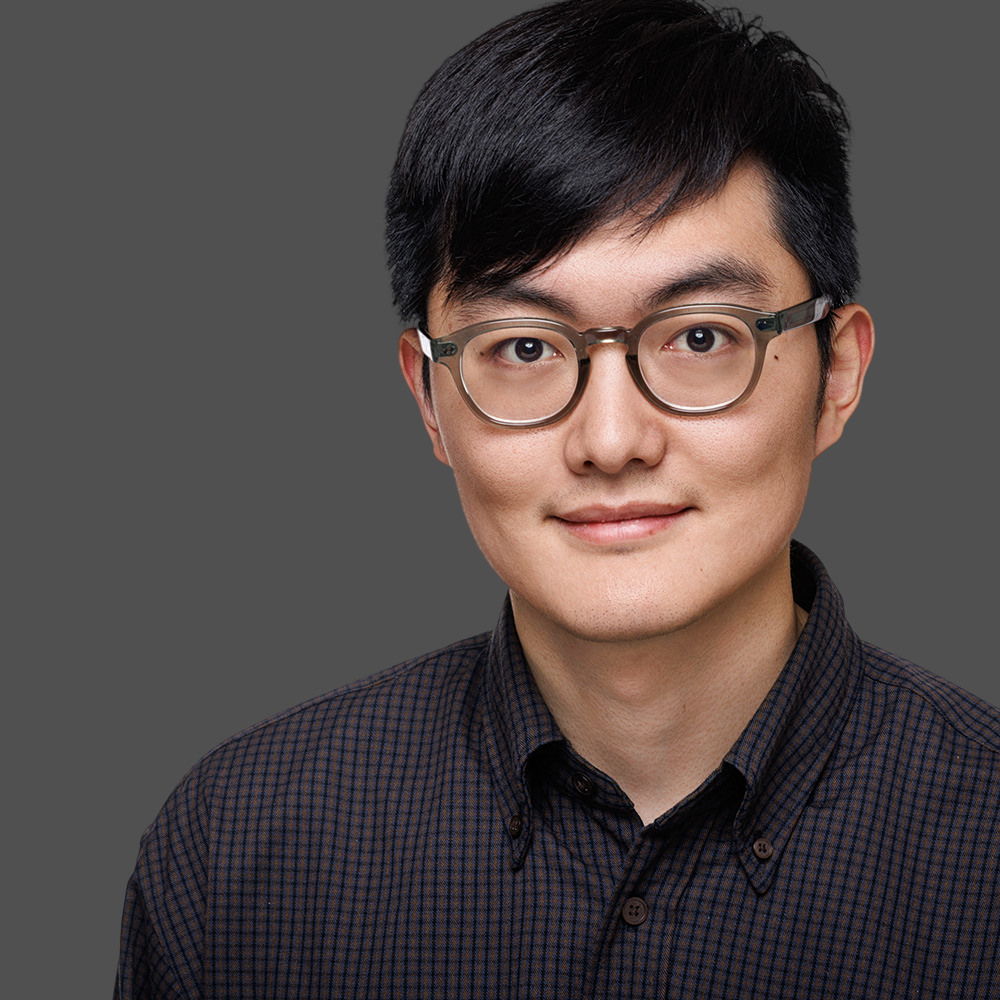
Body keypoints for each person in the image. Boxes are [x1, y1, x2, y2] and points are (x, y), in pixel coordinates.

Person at [114, 1, 1000, 996]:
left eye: (701, 336)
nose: (611, 441)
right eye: (524, 349)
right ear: (430, 399)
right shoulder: (240, 850)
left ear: (835, 372)